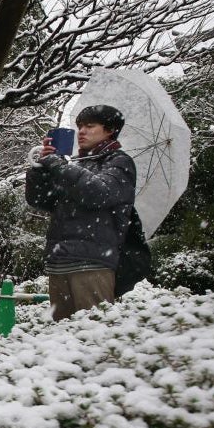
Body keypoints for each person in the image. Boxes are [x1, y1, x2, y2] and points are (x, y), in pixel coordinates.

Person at [25, 104, 141, 321]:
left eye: (90, 126)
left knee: (94, 332)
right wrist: (40, 169)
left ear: (110, 129)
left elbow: (97, 193)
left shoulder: (118, 162)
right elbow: (40, 200)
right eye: (79, 127)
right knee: (62, 337)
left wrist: (59, 166)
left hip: (93, 263)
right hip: (60, 261)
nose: (82, 132)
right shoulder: (75, 166)